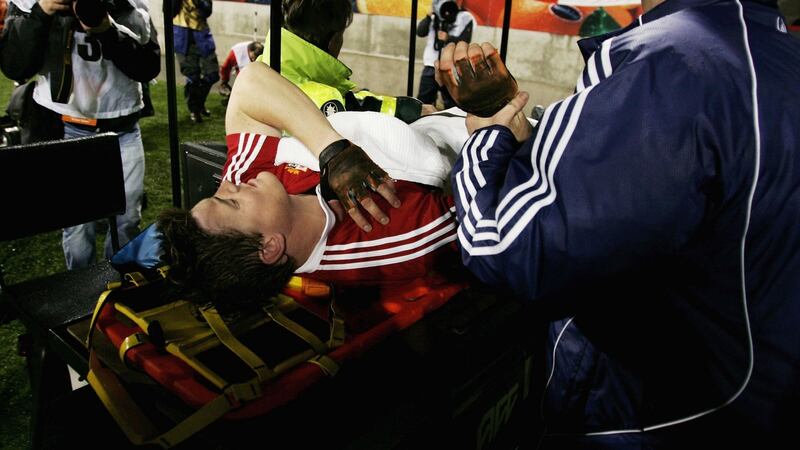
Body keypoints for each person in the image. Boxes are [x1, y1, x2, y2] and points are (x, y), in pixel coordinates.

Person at [434, 0, 800, 447]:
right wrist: (517, 125)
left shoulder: (674, 63)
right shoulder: (777, 55)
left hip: (657, 422)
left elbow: (504, 244)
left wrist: (487, 133)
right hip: (755, 404)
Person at [157, 62, 466, 313]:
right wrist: (486, 111)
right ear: (269, 247)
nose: (227, 184)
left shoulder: (249, 180)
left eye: (216, 194)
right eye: (230, 203)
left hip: (440, 116)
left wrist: (333, 150)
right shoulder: (389, 243)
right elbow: (485, 206)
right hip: (478, 126)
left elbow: (250, 82)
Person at [0, 0, 160, 270]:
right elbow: (16, 67)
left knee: (127, 219)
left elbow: (147, 67)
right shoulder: (31, 4)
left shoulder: (129, 6)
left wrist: (106, 29)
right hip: (68, 124)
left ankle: (119, 285)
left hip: (123, 125)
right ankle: (82, 292)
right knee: (76, 226)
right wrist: (43, 11)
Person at [258, 0, 429, 123]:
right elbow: (355, 108)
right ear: (333, 41)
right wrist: (410, 110)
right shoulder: (324, 98)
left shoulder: (262, 68)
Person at [416, 0, 475, 110]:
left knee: (452, 103)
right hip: (431, 65)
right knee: (424, 102)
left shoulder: (465, 17)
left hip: (451, 67)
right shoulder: (435, 15)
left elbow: (465, 41)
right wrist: (429, 16)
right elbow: (420, 32)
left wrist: (448, 38)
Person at [172, 0, 218, 123]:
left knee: (213, 74)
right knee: (193, 77)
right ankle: (194, 109)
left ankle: (199, 103)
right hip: (181, 36)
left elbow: (208, 10)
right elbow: (169, 12)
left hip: (202, 35)